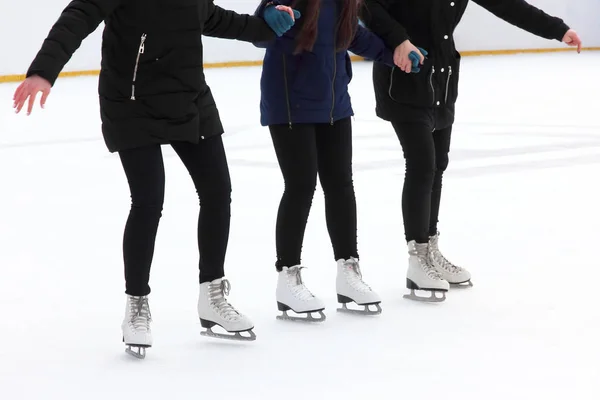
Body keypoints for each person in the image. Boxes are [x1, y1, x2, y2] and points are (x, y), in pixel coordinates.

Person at [12, 0, 298, 358]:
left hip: (189, 96)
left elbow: (219, 20)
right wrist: (44, 70)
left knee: (216, 190)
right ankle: (137, 305)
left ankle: (212, 293)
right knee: (149, 200)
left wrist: (266, 26)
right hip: (130, 101)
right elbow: (77, 18)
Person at [360, 0, 582, 302]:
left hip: (441, 79)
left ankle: (431, 248)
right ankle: (417, 258)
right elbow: (365, 6)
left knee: (437, 164)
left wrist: (558, 29)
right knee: (422, 163)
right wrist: (398, 38)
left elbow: (508, 6)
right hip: (405, 73)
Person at [254, 0, 397, 321]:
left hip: (334, 103)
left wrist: (394, 54)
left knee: (340, 184)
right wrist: (271, 16)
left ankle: (348, 270)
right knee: (301, 186)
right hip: (291, 103)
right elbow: (261, 33)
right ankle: (288, 278)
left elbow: (352, 37)